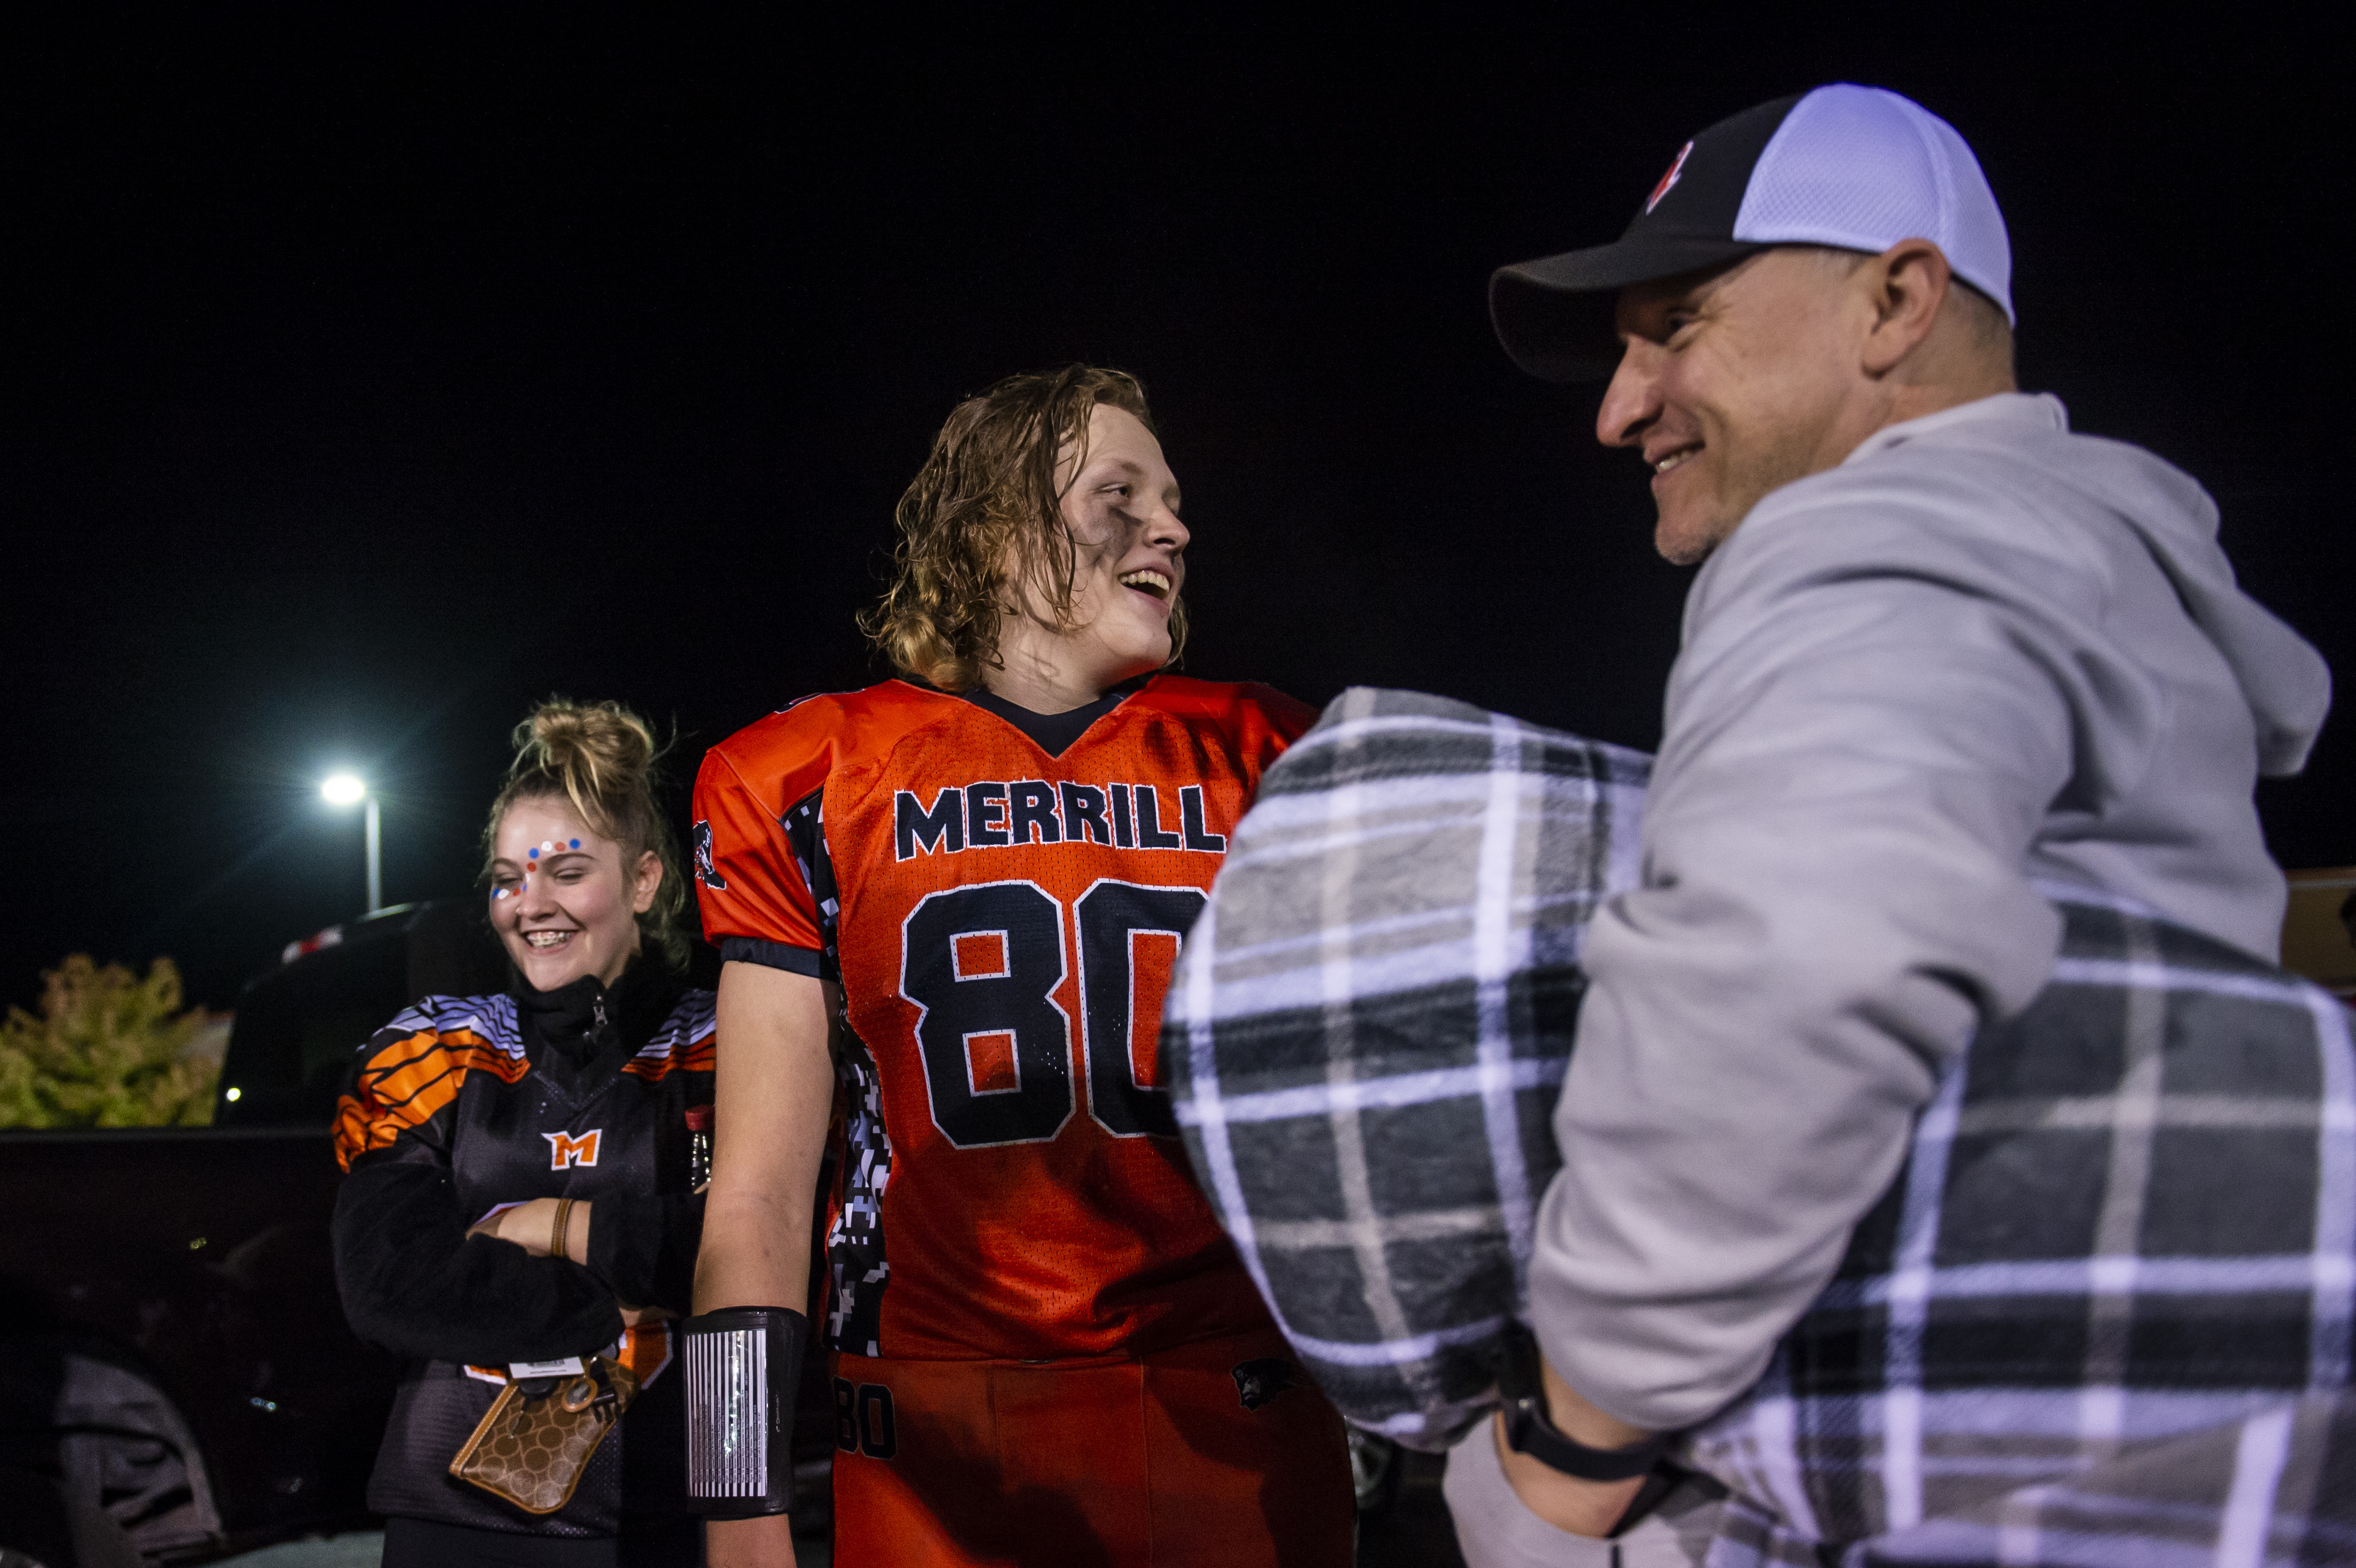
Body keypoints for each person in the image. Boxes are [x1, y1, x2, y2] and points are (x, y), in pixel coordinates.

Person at [1457, 84, 2334, 1555]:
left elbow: (1794, 962)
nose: (1615, 409)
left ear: (1895, 300)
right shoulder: (2078, 555)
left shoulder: (1878, 533)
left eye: (1673, 326)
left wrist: (1574, 1433)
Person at [689, 365, 1354, 1566]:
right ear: (996, 534)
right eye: (1119, 491)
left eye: (1173, 499)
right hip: (940, 1443)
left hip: (1231, 1416)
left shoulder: (1268, 750)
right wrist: (734, 1503)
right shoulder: (799, 777)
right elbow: (756, 1197)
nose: (1172, 526)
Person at [333, 700, 714, 1567]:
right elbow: (389, 1283)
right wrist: (601, 1305)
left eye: (567, 870)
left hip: (664, 1508)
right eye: (509, 877)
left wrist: (552, 1224)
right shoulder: (433, 1046)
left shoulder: (723, 1040)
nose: (529, 904)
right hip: (454, 1519)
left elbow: (761, 1246)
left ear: (646, 879)